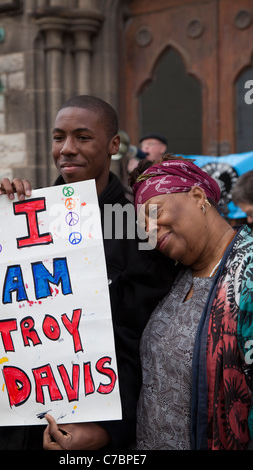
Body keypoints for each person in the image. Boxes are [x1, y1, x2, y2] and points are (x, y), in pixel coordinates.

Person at [0, 95, 176, 450]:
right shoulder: (27, 216)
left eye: (83, 137)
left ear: (113, 144)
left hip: (99, 432)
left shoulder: (139, 227)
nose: (67, 149)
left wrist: (108, 432)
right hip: (21, 425)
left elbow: (149, 345)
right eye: (59, 137)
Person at [129, 154, 253, 450]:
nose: (148, 229)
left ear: (198, 196)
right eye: (141, 224)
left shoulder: (247, 274)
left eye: (154, 212)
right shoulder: (175, 275)